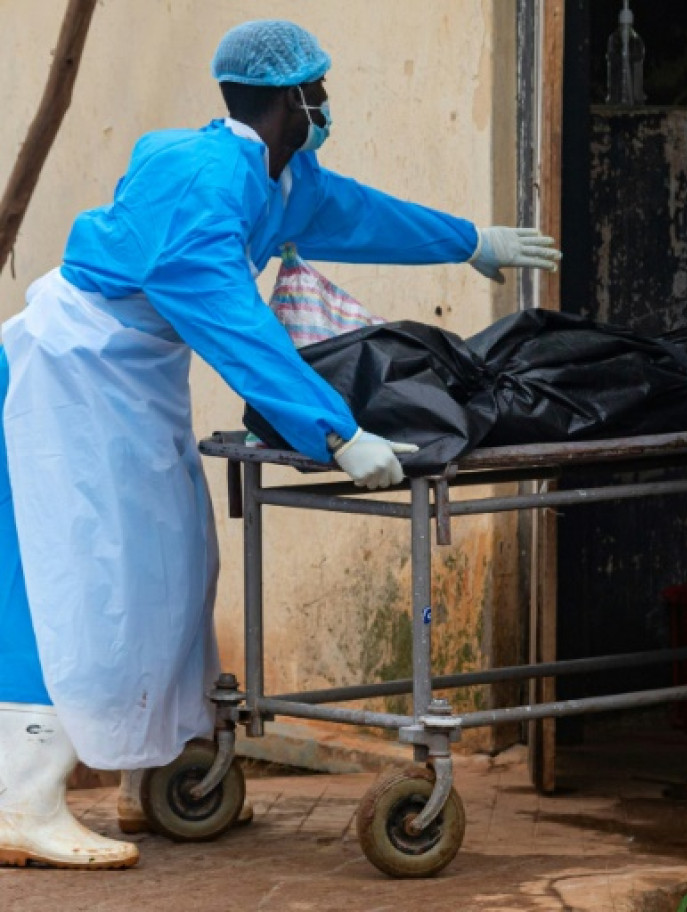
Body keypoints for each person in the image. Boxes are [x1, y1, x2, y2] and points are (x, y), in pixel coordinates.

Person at [0, 20, 560, 869]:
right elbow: (240, 332)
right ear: (288, 100)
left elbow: (359, 215)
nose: (327, 107)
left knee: (172, 570)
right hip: (67, 383)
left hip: (131, 384)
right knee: (73, 576)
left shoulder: (278, 175)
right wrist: (336, 431)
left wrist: (471, 240)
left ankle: (148, 772)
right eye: (320, 92)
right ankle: (20, 800)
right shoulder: (197, 186)